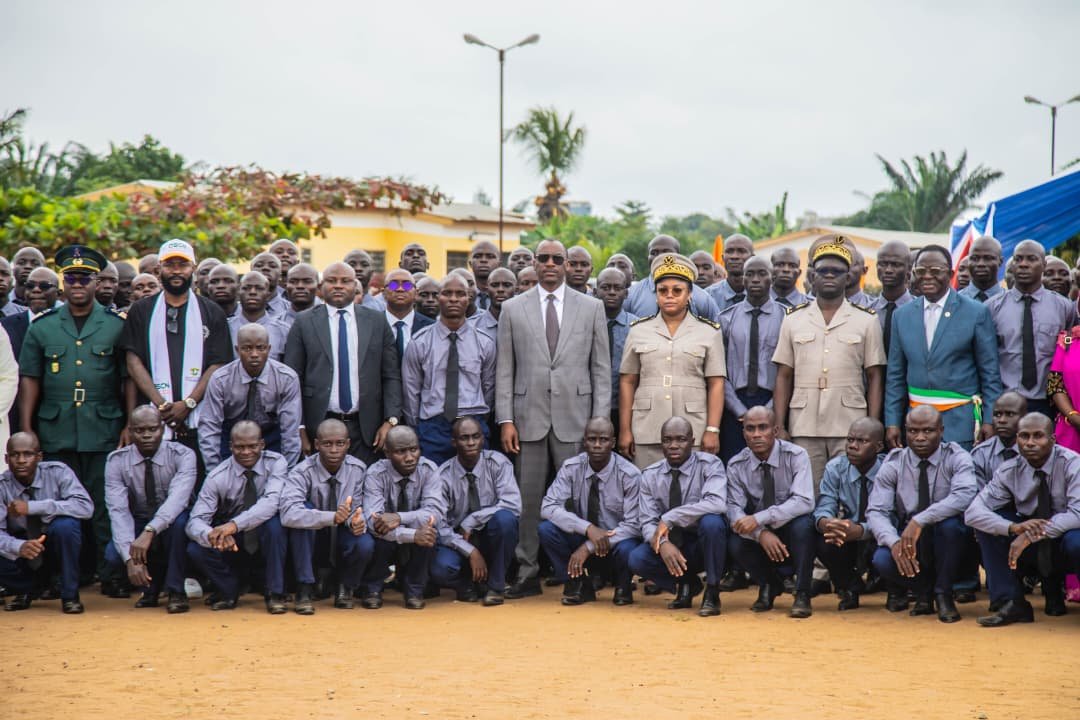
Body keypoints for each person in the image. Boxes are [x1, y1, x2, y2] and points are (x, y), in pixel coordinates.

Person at [495, 238, 611, 598]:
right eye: (542, 258)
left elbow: (601, 369)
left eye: (556, 259)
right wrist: (505, 420)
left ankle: (579, 574)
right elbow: (505, 369)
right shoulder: (513, 308)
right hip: (527, 418)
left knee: (575, 501)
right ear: (532, 262)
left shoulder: (591, 308)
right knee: (528, 500)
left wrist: (600, 422)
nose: (549, 264)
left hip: (577, 420)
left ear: (565, 264)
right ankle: (527, 572)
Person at [19, 245, 128, 596]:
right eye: (72, 278)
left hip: (103, 426)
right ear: (63, 284)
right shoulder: (44, 327)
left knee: (103, 506)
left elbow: (126, 378)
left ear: (97, 282)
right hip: (57, 427)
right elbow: (30, 379)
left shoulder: (114, 327)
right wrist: (26, 427)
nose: (78, 284)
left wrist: (127, 422)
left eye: (85, 278)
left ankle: (109, 573)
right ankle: (64, 574)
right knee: (57, 506)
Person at [773, 239, 886, 486]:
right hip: (804, 424)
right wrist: (780, 424)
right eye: (823, 271)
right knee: (808, 493)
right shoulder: (793, 319)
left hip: (849, 424)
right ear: (812, 276)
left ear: (848, 277)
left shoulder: (866, 321)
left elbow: (875, 376)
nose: (830, 276)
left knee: (848, 492)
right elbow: (784, 374)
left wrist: (873, 424)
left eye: (837, 272)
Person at [120, 239, 233, 480]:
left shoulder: (211, 311)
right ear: (158, 269)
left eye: (182, 265)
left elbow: (219, 363)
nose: (176, 271)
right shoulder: (141, 310)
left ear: (193, 267)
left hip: (199, 421)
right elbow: (133, 360)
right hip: (153, 421)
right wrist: (161, 405)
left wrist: (188, 403)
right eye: (170, 265)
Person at [965, 412, 1080, 625]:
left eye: (1038, 436)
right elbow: (973, 512)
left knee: (1077, 540)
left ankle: (1057, 591)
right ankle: (1011, 602)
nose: (1030, 443)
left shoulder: (1072, 464)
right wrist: (1013, 528)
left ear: (1053, 440)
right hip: (1027, 549)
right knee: (991, 525)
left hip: (1064, 541)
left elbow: (1077, 513)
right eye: (1024, 436)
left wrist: (1029, 535)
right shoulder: (1010, 469)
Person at [283, 261, 402, 465]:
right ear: (321, 287)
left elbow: (390, 375)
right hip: (319, 428)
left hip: (367, 430)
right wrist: (300, 428)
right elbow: (292, 379)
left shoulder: (376, 321)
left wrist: (390, 421)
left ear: (356, 286)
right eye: (332, 281)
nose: (338, 286)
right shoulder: (304, 322)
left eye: (345, 281)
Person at [885, 244, 1001, 450]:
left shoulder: (975, 312)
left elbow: (990, 373)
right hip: (916, 423)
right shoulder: (901, 315)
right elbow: (895, 375)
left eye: (935, 271)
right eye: (921, 271)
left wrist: (989, 420)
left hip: (958, 423)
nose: (927, 276)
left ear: (950, 273)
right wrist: (892, 422)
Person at [867, 405, 977, 623]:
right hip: (909, 536)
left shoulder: (957, 457)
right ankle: (923, 593)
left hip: (947, 536)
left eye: (928, 431)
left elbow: (965, 495)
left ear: (941, 431)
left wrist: (921, 519)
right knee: (882, 559)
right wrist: (893, 542)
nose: (919, 437)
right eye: (913, 431)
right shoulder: (894, 462)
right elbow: (876, 511)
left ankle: (944, 594)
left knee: (951, 528)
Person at [619, 254, 725, 469]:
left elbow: (716, 383)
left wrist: (712, 429)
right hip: (648, 427)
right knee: (647, 489)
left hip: (692, 429)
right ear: (655, 295)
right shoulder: (639, 330)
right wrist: (625, 429)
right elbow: (627, 381)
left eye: (677, 291)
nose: (669, 296)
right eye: (663, 291)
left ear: (689, 295)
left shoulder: (708, 332)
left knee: (691, 490)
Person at [628, 417, 728, 616]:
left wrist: (671, 517)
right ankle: (686, 584)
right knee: (636, 558)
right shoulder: (650, 475)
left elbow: (717, 503)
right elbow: (647, 521)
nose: (674, 445)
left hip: (704, 544)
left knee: (712, 522)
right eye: (667, 440)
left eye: (681, 439)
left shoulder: (710, 465)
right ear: (661, 443)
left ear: (693, 441)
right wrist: (663, 543)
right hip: (672, 544)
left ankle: (712, 590)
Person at [186, 421, 289, 613]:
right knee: (195, 549)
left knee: (275, 526)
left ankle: (275, 593)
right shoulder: (217, 477)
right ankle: (228, 591)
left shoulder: (277, 463)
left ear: (262, 445)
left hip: (263, 536)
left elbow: (271, 503)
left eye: (252, 446)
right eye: (240, 447)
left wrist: (234, 525)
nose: (246, 452)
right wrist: (212, 534)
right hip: (233, 542)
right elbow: (194, 521)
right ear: (231, 447)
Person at [103, 405, 196, 613]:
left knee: (179, 524)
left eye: (152, 429)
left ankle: (175, 591)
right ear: (130, 430)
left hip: (172, 519)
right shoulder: (115, 461)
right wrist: (130, 559)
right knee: (113, 555)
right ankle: (150, 589)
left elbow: (178, 500)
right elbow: (118, 511)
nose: (146, 435)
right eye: (139, 430)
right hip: (140, 518)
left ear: (162, 429)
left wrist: (150, 530)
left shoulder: (183, 455)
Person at [539, 417, 641, 606]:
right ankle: (578, 583)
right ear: (584, 441)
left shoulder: (630, 474)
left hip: (615, 543)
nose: (597, 445)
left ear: (613, 442)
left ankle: (623, 584)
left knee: (629, 546)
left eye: (603, 440)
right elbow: (548, 507)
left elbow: (635, 525)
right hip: (584, 537)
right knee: (547, 530)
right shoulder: (571, 467)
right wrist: (587, 529)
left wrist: (588, 547)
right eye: (592, 439)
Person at [726, 406, 816, 617]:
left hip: (788, 525)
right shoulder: (736, 464)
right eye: (750, 429)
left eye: (763, 428)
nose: (756, 434)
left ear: (775, 431)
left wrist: (760, 519)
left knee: (805, 526)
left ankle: (802, 593)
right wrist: (760, 533)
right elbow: (733, 509)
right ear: (743, 433)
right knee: (735, 541)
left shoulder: (796, 455)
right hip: (760, 531)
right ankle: (769, 585)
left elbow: (804, 501)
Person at [279, 419, 372, 613]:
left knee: (364, 543)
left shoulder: (358, 469)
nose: (334, 450)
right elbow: (288, 514)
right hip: (313, 537)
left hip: (342, 533)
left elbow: (361, 508)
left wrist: (357, 521)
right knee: (303, 517)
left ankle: (345, 587)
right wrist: (330, 517)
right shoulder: (301, 471)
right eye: (327, 444)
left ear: (348, 444)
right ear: (316, 444)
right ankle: (304, 588)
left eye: (339, 443)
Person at [403, 274, 495, 464]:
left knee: (474, 483)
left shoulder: (484, 342)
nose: (453, 299)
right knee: (434, 486)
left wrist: (477, 417)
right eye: (447, 293)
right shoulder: (420, 342)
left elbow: (489, 386)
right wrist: (418, 427)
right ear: (438, 298)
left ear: (469, 298)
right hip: (433, 427)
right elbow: (411, 390)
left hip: (473, 424)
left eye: (460, 294)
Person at [430, 417, 521, 606]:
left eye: (476, 437)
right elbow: (441, 526)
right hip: (460, 543)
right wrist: (471, 552)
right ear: (454, 442)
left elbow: (513, 505)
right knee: (440, 568)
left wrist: (472, 520)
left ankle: (496, 587)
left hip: (492, 539)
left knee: (506, 520)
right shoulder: (443, 476)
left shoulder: (498, 464)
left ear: (483, 439)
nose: (471, 443)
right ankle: (466, 586)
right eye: (464, 438)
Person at [0, 432, 93, 613]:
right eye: (14, 455)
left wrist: (33, 507)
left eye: (28, 454)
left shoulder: (58, 472)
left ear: (39, 457)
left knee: (66, 526)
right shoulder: (2, 485)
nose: (21, 460)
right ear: (6, 458)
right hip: (23, 550)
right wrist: (19, 546)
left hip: (54, 544)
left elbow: (85, 507)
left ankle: (70, 596)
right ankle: (26, 589)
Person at [985, 240, 1077, 418]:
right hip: (1005, 403)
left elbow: (1068, 350)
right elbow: (986, 360)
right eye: (1018, 259)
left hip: (1048, 404)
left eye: (1031, 259)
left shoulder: (1064, 308)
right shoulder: (992, 307)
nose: (1024, 264)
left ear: (1043, 265)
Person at [200, 323, 302, 470]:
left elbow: (290, 431)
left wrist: (287, 472)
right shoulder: (220, 379)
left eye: (260, 348)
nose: (254, 354)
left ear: (269, 349)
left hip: (271, 436)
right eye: (247, 348)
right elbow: (209, 427)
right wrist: (215, 471)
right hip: (231, 436)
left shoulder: (287, 378)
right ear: (237, 350)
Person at [362, 426, 442, 610]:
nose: (409, 457)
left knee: (428, 533)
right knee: (378, 536)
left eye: (413, 449)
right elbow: (373, 522)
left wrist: (399, 517)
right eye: (400, 451)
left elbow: (434, 513)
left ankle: (414, 590)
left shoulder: (429, 470)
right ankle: (373, 588)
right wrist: (412, 534)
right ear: (387, 452)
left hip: (414, 531)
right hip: (387, 536)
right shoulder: (376, 473)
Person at [813, 417, 885, 611]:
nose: (853, 446)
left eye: (862, 441)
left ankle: (896, 592)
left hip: (881, 533)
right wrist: (826, 522)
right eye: (850, 440)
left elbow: (894, 518)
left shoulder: (889, 469)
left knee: (894, 540)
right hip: (849, 532)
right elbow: (825, 503)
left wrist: (862, 530)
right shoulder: (835, 467)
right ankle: (850, 588)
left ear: (878, 447)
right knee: (823, 538)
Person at [718, 256, 782, 463]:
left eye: (762, 274)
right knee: (734, 463)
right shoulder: (726, 318)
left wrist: (772, 408)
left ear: (772, 277)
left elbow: (789, 371)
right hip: (735, 404)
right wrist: (739, 410)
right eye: (750, 274)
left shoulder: (787, 318)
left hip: (773, 400)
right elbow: (719, 371)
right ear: (742, 279)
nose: (755, 279)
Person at [626, 235, 721, 320]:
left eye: (666, 252)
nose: (660, 256)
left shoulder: (700, 296)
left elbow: (716, 330)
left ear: (678, 255)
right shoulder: (632, 294)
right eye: (654, 252)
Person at [594, 267, 637, 425]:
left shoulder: (638, 327)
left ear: (626, 293)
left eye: (618, 288)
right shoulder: (584, 323)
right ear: (594, 291)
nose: (611, 292)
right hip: (593, 405)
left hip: (627, 406)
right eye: (605, 287)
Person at [865, 240, 914, 360]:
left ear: (909, 269)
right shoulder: (866, 312)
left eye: (896, 265)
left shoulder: (920, 310)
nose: (888, 270)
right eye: (883, 264)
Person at [226, 270, 288, 361]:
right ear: (238, 292)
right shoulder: (226, 328)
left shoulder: (283, 330)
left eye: (259, 288)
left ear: (268, 294)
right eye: (246, 288)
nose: (252, 292)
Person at [383, 268, 434, 364]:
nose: (400, 289)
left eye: (407, 285)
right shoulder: (373, 325)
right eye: (393, 285)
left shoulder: (431, 328)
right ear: (384, 293)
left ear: (416, 293)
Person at [706, 234, 755, 311]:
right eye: (729, 251)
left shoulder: (766, 295)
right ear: (723, 258)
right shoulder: (707, 297)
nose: (734, 256)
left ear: (752, 258)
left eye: (741, 251)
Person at [470, 267, 514, 336]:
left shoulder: (526, 324)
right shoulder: (471, 326)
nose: (500, 289)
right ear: (487, 289)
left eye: (507, 285)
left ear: (516, 288)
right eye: (494, 285)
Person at [960, 236, 1004, 301]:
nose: (981, 264)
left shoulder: (1012, 302)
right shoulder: (953, 302)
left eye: (988, 258)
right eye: (974, 258)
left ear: (1000, 261)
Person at [277, 262, 320, 328]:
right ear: (286, 286)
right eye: (293, 282)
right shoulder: (275, 325)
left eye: (307, 281)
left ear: (318, 286)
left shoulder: (331, 322)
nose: (300, 286)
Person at [469, 241, 501, 311]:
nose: (483, 260)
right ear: (470, 263)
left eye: (490, 257)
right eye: (478, 256)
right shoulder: (461, 296)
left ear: (499, 264)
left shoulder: (507, 297)